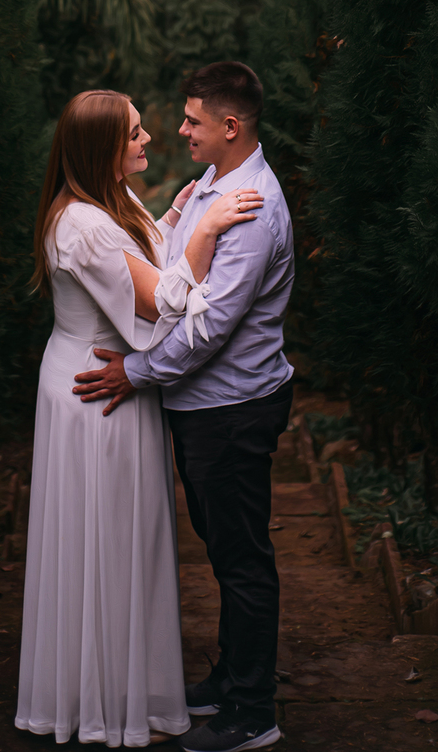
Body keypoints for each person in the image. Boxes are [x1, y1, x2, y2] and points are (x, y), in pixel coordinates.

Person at [16, 88, 264, 748]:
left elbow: (143, 247)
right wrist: (207, 231)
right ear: (102, 149)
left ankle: (113, 684)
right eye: (132, 134)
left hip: (107, 383)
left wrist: (179, 212)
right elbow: (161, 303)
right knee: (104, 538)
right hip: (96, 396)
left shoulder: (108, 206)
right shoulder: (84, 224)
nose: (149, 138)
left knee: (117, 539)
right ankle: (98, 699)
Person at [74, 63, 294, 752]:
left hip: (232, 408)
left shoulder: (252, 206)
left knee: (242, 557)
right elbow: (173, 267)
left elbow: (207, 329)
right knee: (224, 548)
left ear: (230, 127)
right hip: (205, 408)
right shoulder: (208, 187)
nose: (180, 129)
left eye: (193, 120)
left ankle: (253, 712)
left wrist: (136, 372)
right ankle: (231, 678)